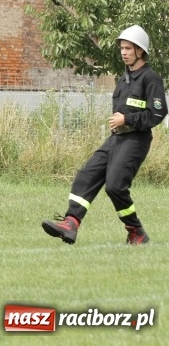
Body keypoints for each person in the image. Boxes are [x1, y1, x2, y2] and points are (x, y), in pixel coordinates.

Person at [42, 25, 167, 245]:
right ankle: (71, 223)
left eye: (128, 48)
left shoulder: (151, 79)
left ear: (140, 51)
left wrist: (127, 120)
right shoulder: (123, 79)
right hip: (116, 138)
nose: (124, 52)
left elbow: (157, 113)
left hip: (136, 140)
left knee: (115, 186)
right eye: (122, 48)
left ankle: (136, 231)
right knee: (86, 175)